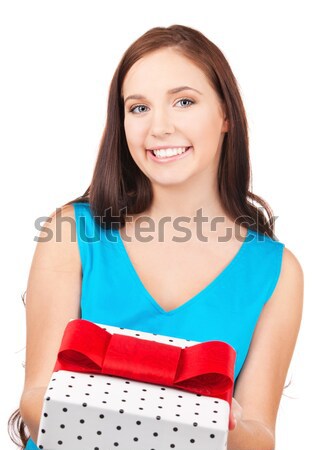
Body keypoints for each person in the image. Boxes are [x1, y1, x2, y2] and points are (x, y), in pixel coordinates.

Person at [9, 24, 303, 450]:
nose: (159, 127)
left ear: (225, 115)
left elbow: (260, 434)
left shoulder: (277, 272)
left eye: (183, 101)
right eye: (139, 108)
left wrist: (216, 426)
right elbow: (36, 401)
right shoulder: (70, 232)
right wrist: (186, 423)